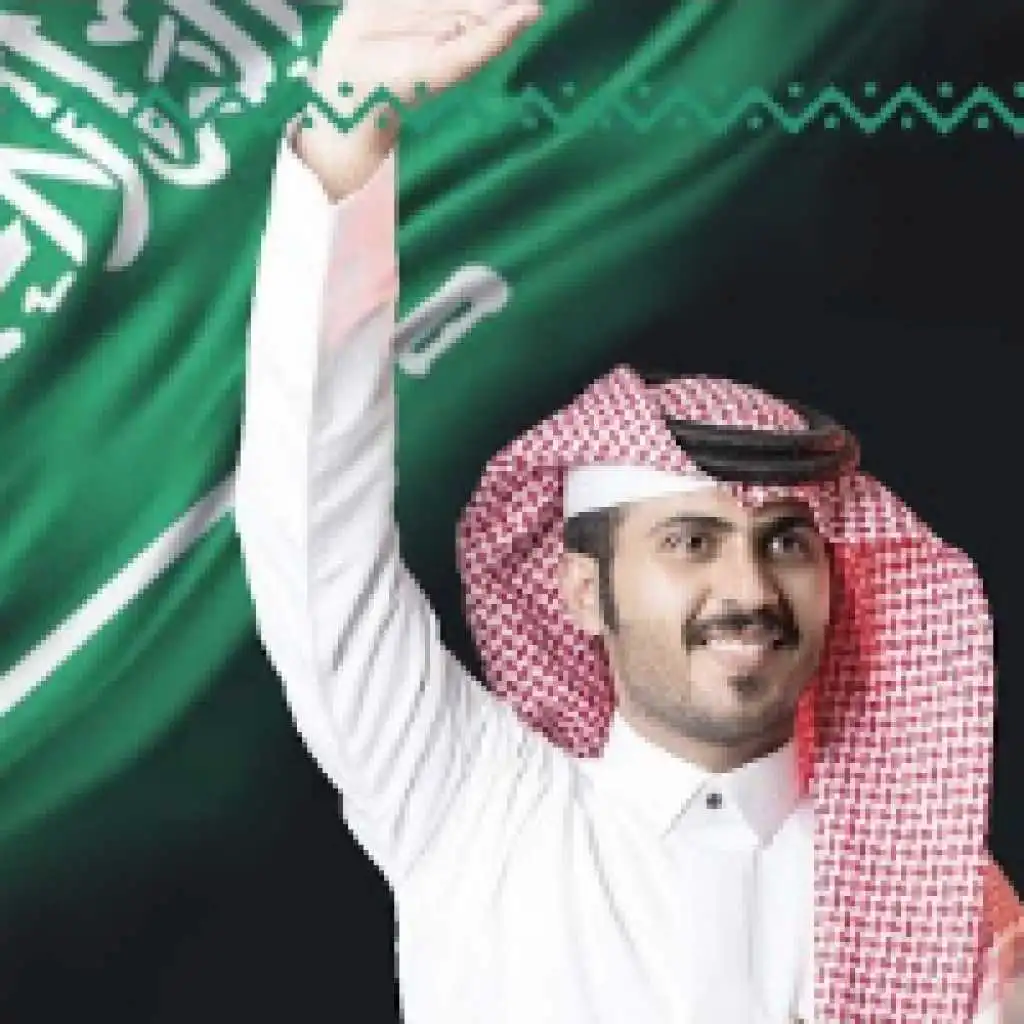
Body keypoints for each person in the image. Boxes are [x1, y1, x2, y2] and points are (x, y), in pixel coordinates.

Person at [233, 1, 1023, 1020]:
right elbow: (313, 540)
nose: (748, 588)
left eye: (787, 540)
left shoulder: (945, 903)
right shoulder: (478, 803)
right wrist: (349, 126)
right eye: (690, 540)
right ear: (582, 587)